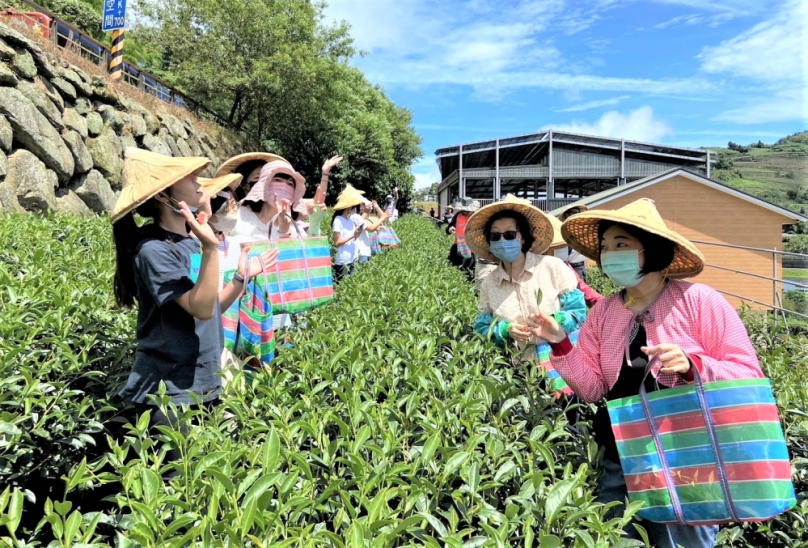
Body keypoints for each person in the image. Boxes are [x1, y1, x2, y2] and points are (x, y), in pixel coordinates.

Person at [528, 198, 765, 548]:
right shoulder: (604, 313)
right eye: (605, 248)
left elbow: (747, 374)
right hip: (622, 454)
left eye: (621, 245)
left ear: (652, 249)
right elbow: (593, 390)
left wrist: (694, 366)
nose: (609, 255)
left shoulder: (699, 301)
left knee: (684, 541)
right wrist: (561, 343)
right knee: (618, 537)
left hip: (687, 457)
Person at [110, 148, 277, 478]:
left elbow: (211, 307)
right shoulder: (153, 248)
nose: (199, 182)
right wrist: (211, 248)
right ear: (163, 194)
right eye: (188, 177)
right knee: (176, 489)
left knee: (207, 480)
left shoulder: (190, 240)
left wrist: (242, 276)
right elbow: (200, 308)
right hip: (170, 392)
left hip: (205, 381)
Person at [467, 195, 587, 376]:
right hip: (516, 373)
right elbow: (482, 331)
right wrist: (506, 330)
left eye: (509, 234)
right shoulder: (489, 284)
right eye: (495, 236)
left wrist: (555, 320)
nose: (502, 240)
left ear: (523, 238)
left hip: (561, 367)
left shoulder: (552, 267)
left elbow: (579, 315)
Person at [546, 214, 603, 308]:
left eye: (563, 247)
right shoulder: (533, 270)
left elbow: (585, 291)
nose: (561, 250)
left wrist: (607, 304)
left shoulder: (564, 268)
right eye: (557, 247)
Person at [332, 186, 366, 280]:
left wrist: (358, 232)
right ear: (349, 207)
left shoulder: (350, 220)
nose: (354, 209)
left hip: (353, 258)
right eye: (353, 207)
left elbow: (353, 238)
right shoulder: (338, 220)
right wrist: (353, 235)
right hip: (343, 261)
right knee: (343, 289)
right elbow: (337, 243)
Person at [446, 198, 480, 281]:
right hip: (457, 247)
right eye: (463, 210)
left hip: (471, 249)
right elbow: (449, 228)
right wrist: (450, 228)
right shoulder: (458, 215)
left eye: (467, 211)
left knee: (468, 272)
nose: (464, 212)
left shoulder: (477, 218)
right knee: (453, 269)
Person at [351, 194, 389, 264]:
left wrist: (377, 207)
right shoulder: (355, 217)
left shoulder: (370, 218)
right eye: (363, 205)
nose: (369, 208)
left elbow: (384, 219)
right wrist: (366, 212)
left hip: (369, 250)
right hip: (360, 252)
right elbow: (367, 226)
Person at [558, 203, 589, 277]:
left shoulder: (581, 229)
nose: (577, 214)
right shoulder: (562, 230)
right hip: (568, 267)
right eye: (574, 212)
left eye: (578, 213)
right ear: (567, 215)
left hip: (580, 267)